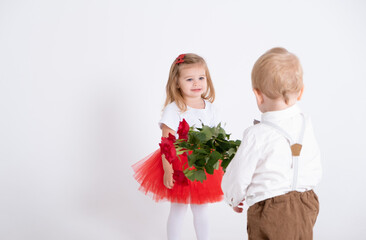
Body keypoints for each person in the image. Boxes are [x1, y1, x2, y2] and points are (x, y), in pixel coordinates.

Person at [221, 47, 322, 240]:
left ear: (258, 95)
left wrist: (233, 197)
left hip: (271, 209)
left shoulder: (256, 134)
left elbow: (239, 174)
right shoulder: (305, 124)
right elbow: (314, 162)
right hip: (307, 203)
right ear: (300, 92)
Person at [132, 53, 223, 240]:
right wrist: (167, 170)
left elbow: (215, 138)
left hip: (201, 164)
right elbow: (167, 143)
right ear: (177, 83)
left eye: (201, 78)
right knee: (179, 208)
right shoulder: (175, 109)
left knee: (201, 208)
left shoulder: (210, 108)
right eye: (189, 79)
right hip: (178, 164)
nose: (196, 83)